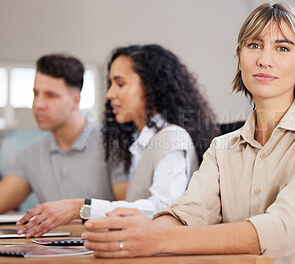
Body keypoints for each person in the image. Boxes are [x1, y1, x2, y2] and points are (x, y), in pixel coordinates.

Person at [82, 2, 295, 263]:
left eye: (282, 48)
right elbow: (187, 213)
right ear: (240, 58)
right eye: (254, 45)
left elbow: (282, 228)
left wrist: (159, 238)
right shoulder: (221, 147)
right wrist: (148, 232)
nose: (264, 59)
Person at [16, 44, 219, 238]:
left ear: (152, 89)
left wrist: (82, 208)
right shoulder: (143, 144)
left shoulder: (171, 137)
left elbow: (164, 209)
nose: (110, 94)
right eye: (111, 84)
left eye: (120, 84)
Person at [0, 54, 122, 215]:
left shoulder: (113, 145)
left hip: (102, 239)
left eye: (51, 95)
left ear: (76, 100)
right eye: (36, 93)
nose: (38, 104)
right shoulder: (32, 153)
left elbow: (128, 212)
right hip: (51, 240)